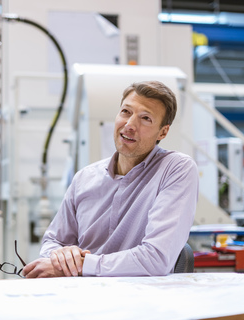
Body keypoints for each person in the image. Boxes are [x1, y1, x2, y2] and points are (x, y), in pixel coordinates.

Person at [23, 80, 199, 278]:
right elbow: (53, 242)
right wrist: (61, 256)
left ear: (163, 132)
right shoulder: (85, 178)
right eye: (126, 112)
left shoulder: (175, 169)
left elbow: (156, 258)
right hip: (79, 297)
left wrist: (83, 265)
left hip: (141, 300)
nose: (130, 124)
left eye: (145, 118)